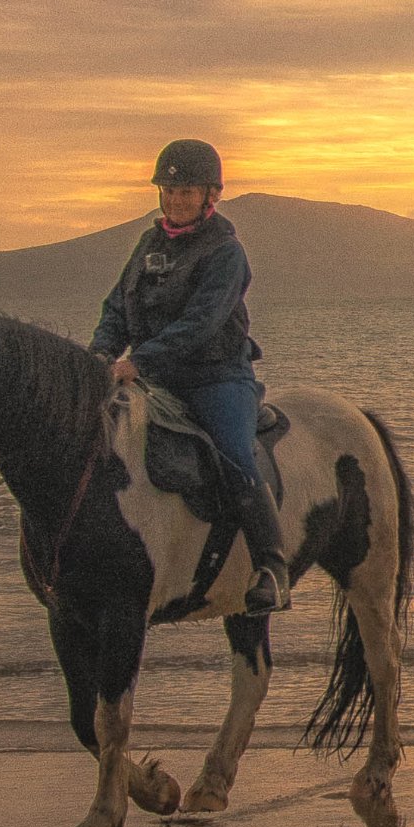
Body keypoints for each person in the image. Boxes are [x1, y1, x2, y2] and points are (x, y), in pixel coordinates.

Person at [94, 138, 288, 614]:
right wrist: (99, 356)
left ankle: (271, 566)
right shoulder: (148, 244)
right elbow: (119, 306)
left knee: (234, 452)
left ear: (210, 196)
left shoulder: (226, 252)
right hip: (155, 379)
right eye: (169, 190)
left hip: (216, 377)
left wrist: (140, 362)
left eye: (187, 191)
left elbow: (201, 323)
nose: (176, 199)